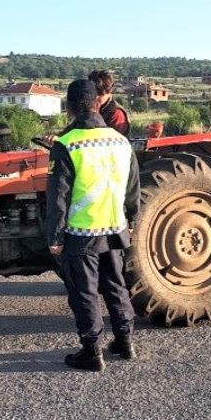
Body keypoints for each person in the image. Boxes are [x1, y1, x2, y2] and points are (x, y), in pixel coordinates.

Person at [46, 78, 140, 372]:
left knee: (85, 292)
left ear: (70, 108)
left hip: (82, 232)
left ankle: (92, 352)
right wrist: (132, 220)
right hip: (114, 227)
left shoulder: (66, 144)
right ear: (97, 103)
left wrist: (54, 235)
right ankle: (125, 344)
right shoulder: (120, 141)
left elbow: (58, 197)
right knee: (115, 285)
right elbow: (132, 188)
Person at [87, 70, 130, 137]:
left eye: (99, 94)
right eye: (92, 94)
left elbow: (112, 141)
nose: (95, 98)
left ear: (110, 91)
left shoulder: (117, 114)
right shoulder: (88, 108)